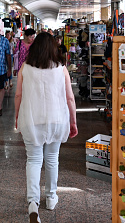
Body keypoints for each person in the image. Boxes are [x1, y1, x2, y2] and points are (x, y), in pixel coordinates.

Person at [14, 32, 78, 223]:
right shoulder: (61, 68)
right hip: (56, 119)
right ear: (53, 48)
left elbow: (18, 96)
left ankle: (33, 203)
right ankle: (50, 198)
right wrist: (73, 121)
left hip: (32, 119)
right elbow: (69, 98)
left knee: (33, 160)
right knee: (52, 159)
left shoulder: (24, 68)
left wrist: (17, 117)